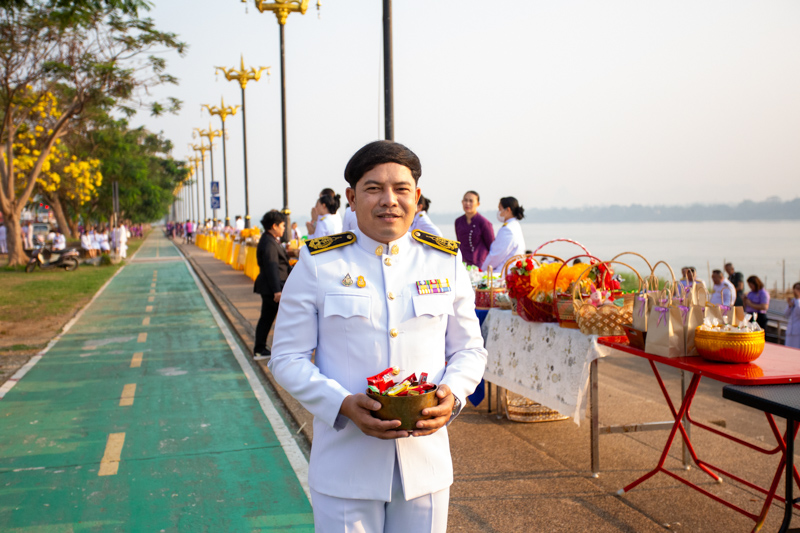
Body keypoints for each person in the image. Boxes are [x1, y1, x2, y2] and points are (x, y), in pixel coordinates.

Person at [268, 140, 487, 533]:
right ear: (352, 198)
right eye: (373, 189)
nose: (389, 200)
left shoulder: (444, 259)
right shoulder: (319, 262)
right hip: (345, 468)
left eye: (401, 189)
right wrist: (342, 404)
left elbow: (470, 349)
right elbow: (286, 357)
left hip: (426, 467)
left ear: (417, 198)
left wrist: (452, 394)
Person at [253, 210, 293, 360]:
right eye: (282, 225)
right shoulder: (269, 242)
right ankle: (260, 348)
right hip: (273, 288)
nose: (284, 229)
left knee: (268, 318)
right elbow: (271, 267)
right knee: (274, 318)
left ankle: (260, 348)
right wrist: (277, 290)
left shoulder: (270, 239)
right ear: (274, 226)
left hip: (273, 286)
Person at [481, 196, 526, 272]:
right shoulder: (515, 225)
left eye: (500, 209)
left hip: (504, 273)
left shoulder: (507, 229)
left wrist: (482, 270)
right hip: (512, 270)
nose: (498, 212)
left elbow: (496, 255)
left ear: (508, 210)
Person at [454, 190, 494, 268]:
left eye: (471, 201)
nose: (467, 203)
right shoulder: (458, 221)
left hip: (480, 266)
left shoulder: (484, 222)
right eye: (465, 200)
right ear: (462, 202)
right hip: (463, 264)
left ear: (478, 204)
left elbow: (492, 247)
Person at [785, 282, 800, 349]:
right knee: (788, 350)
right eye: (795, 288)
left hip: (798, 332)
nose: (796, 291)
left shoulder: (797, 302)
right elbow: (785, 315)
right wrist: (789, 306)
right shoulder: (792, 301)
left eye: (798, 289)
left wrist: (797, 300)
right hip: (790, 331)